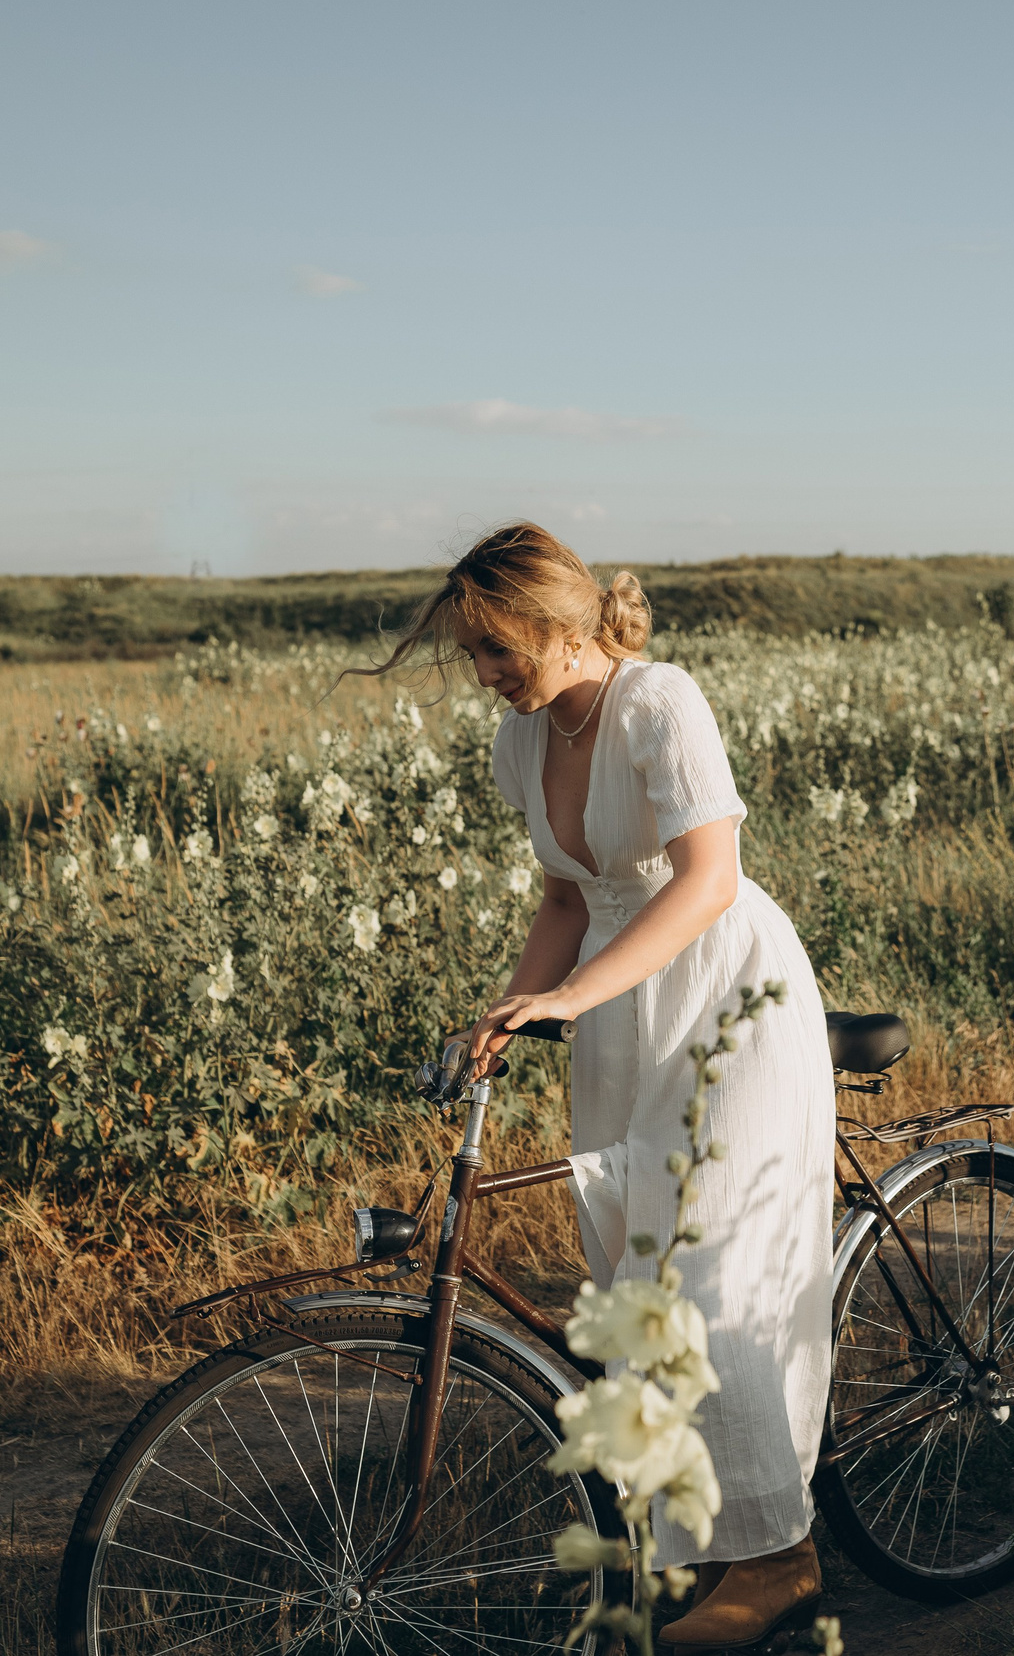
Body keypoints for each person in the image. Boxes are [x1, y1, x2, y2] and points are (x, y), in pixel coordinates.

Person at [367, 524, 832, 1653]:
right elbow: (568, 902)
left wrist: (569, 999)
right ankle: (706, 1536)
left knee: (704, 1274)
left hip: (728, 993)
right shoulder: (519, 743)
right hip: (621, 1007)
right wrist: (507, 1006)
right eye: (472, 653)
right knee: (635, 1267)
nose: (483, 673)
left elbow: (708, 879)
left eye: (495, 648)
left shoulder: (659, 703)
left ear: (560, 625)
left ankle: (782, 1561)